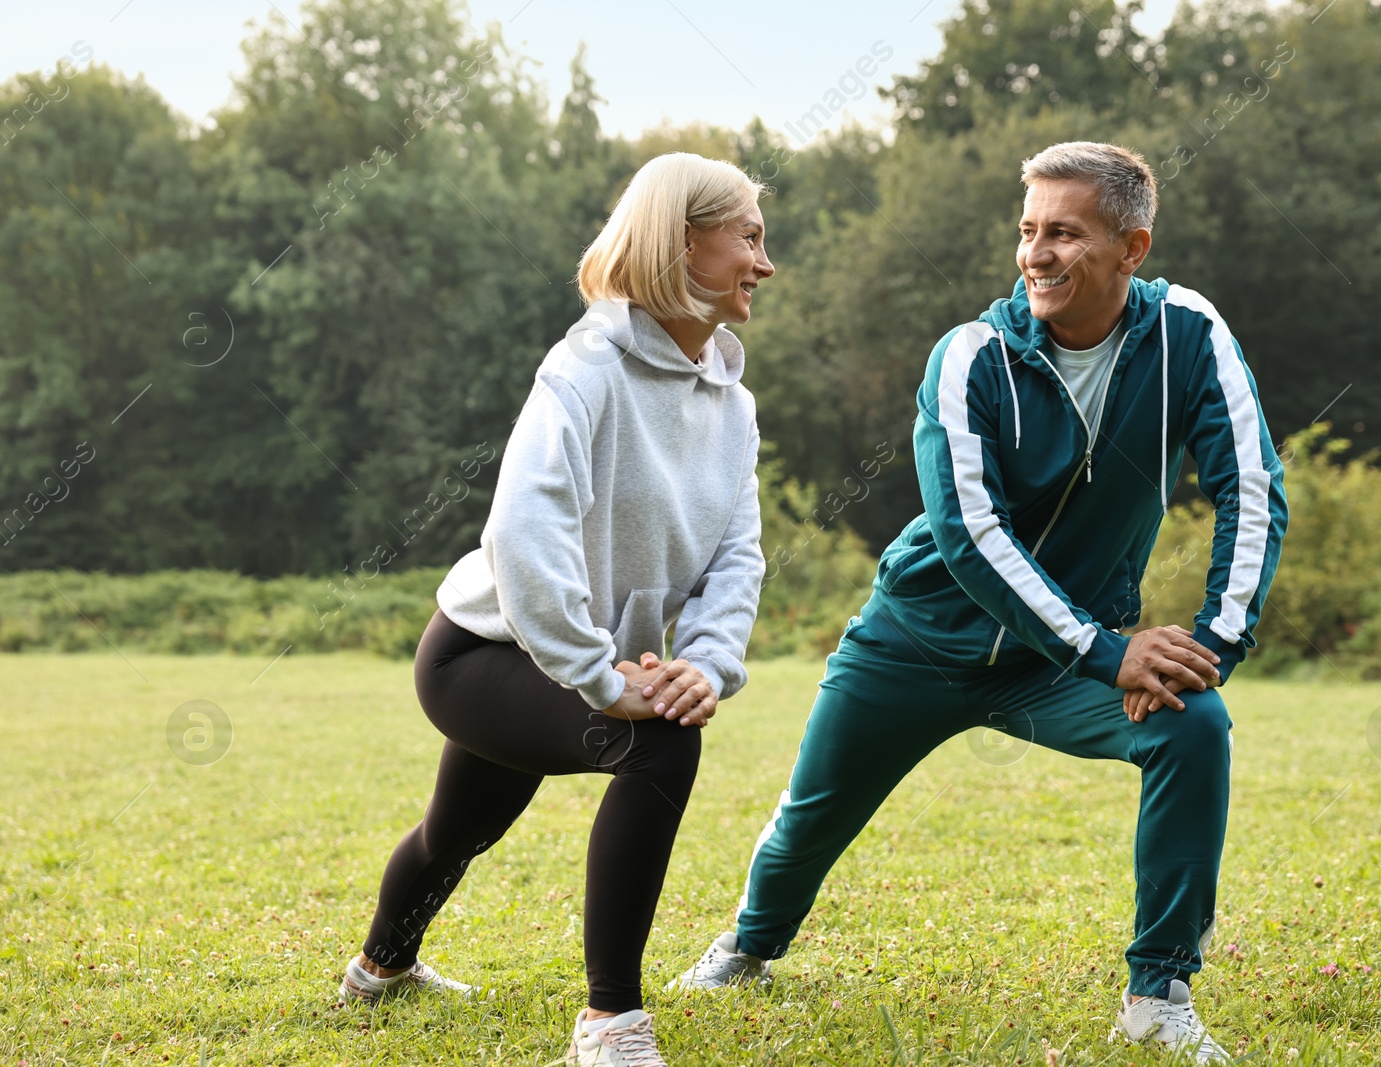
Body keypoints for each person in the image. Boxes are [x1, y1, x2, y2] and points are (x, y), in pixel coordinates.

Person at [673, 141, 1287, 1064]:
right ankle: (749, 944)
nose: (1036, 253)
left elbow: (1252, 486)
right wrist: (1105, 650)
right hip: (917, 641)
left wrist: (1211, 644)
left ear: (1133, 247)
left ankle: (1158, 992)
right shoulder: (969, 356)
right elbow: (969, 531)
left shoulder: (1190, 335)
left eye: (1065, 233)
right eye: (1028, 230)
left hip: (1060, 664)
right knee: (811, 816)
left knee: (1193, 727)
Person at [339, 152, 774, 1067]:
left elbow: (737, 558)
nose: (762, 263)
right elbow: (525, 536)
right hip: (483, 654)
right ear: (682, 240)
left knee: (461, 829)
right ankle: (609, 1023)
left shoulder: (732, 408)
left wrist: (705, 659)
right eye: (748, 236)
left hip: (575, 661)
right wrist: (598, 674)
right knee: (658, 741)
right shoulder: (582, 371)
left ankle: (379, 968)